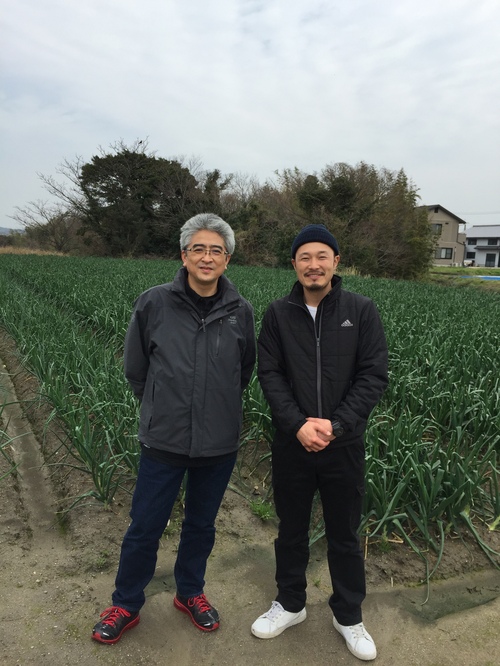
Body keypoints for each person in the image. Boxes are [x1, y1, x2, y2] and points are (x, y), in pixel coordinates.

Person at [92, 213, 256, 644]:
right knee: (145, 525)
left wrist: (214, 410)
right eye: (198, 249)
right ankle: (126, 603)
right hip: (163, 439)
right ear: (184, 256)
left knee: (201, 526)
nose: (207, 257)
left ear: (228, 259)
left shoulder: (241, 312)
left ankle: (190, 592)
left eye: (216, 250)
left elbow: (244, 372)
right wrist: (161, 408)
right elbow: (136, 368)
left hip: (218, 443)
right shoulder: (154, 303)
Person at [251, 224, 388, 661]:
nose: (314, 264)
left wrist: (336, 425)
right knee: (290, 530)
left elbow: (372, 375)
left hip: (342, 445)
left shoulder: (361, 310)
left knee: (344, 533)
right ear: (294, 264)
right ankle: (290, 604)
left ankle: (348, 615)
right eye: (305, 257)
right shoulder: (277, 313)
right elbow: (269, 375)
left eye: (322, 256)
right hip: (293, 445)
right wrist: (298, 425)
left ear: (336, 262)